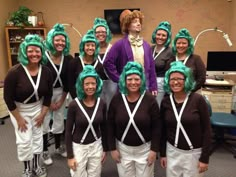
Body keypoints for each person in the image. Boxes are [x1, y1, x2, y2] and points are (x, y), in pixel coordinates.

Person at [4, 34, 53, 177]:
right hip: (19, 110)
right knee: (25, 141)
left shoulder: (46, 71)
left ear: (42, 52)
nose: (34, 54)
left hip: (38, 108)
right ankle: (26, 169)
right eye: (30, 50)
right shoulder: (14, 72)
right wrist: (18, 119)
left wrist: (43, 114)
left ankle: (37, 166)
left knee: (38, 138)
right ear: (24, 51)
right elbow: (8, 98)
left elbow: (48, 95)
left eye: (37, 51)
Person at [107, 61, 161, 177]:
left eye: (137, 79)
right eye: (129, 79)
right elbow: (110, 125)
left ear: (141, 80)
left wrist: (154, 150)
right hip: (123, 150)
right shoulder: (117, 99)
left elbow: (157, 127)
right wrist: (112, 148)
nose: (133, 82)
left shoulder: (149, 99)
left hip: (145, 150)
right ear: (124, 80)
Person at [160, 61, 211, 177]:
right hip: (172, 151)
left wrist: (204, 158)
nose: (175, 82)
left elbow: (207, 130)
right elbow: (163, 130)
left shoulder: (198, 100)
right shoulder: (166, 102)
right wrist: (163, 154)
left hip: (194, 154)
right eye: (172, 79)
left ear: (186, 80)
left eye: (179, 79)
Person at [66, 65, 107, 177]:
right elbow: (68, 132)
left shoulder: (101, 103)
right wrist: (70, 156)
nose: (90, 87)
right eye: (87, 84)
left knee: (95, 174)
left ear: (97, 85)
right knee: (78, 174)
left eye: (93, 83)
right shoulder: (74, 105)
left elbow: (104, 127)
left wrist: (104, 149)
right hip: (79, 147)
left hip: (96, 145)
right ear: (81, 85)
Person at [103, 9, 157, 95]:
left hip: (144, 86)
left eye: (139, 22)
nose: (138, 24)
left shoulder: (146, 45)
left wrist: (153, 86)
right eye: (135, 22)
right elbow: (107, 63)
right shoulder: (119, 44)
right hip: (126, 88)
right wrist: (120, 79)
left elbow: (152, 68)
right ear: (128, 26)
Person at [42, 23, 73, 165]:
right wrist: (48, 102)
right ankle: (44, 151)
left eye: (63, 40)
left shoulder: (67, 58)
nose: (60, 43)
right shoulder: (43, 58)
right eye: (57, 40)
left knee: (59, 120)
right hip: (44, 95)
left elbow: (68, 81)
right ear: (51, 40)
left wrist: (61, 99)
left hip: (61, 93)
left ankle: (59, 147)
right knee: (44, 121)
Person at [68, 29, 107, 99]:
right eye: (87, 45)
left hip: (93, 99)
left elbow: (100, 85)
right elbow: (70, 84)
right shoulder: (74, 63)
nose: (90, 48)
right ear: (83, 46)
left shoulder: (99, 66)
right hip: (76, 99)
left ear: (96, 47)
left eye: (92, 45)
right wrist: (77, 99)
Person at [92, 17, 117, 106]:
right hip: (96, 83)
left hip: (111, 83)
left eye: (103, 32)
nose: (100, 34)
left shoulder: (113, 48)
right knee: (98, 108)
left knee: (112, 107)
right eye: (97, 32)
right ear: (94, 34)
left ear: (107, 34)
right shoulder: (91, 49)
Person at [151, 21, 173, 106]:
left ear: (168, 38)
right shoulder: (150, 49)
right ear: (155, 35)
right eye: (158, 34)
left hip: (160, 85)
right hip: (148, 82)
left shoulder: (170, 52)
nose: (160, 37)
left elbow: (169, 72)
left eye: (164, 35)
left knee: (157, 107)